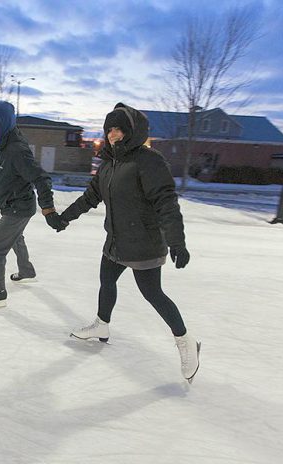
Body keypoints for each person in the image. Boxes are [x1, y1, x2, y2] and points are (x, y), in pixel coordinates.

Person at [60, 103, 200, 383]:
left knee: (152, 293)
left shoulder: (148, 161)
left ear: (131, 131)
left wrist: (177, 242)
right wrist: (64, 218)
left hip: (143, 243)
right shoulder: (109, 164)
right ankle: (102, 325)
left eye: (118, 129)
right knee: (106, 281)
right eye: (109, 129)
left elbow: (166, 202)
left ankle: (187, 342)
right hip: (115, 240)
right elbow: (91, 197)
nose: (112, 134)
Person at [0, 101, 67, 308]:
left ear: (3, 126)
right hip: (10, 205)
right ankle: (27, 272)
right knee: (15, 238)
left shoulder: (17, 150)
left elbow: (42, 179)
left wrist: (48, 209)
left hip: (19, 207)